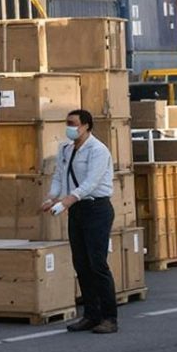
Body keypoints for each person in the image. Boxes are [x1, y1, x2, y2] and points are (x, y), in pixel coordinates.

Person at [45, 107, 117, 334]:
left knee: (97, 264)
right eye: (67, 123)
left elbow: (91, 182)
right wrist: (52, 197)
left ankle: (109, 317)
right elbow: (60, 175)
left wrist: (67, 200)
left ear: (85, 125)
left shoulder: (98, 150)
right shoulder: (65, 148)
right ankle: (90, 314)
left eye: (73, 123)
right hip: (76, 210)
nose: (69, 127)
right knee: (81, 264)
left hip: (96, 208)